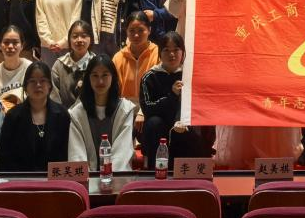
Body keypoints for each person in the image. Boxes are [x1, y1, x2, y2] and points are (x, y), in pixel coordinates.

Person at [139, 31, 210, 165]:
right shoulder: (149, 77)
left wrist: (184, 120)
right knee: (154, 123)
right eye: (166, 50)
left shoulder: (190, 75)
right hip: (161, 125)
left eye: (176, 50)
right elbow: (148, 109)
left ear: (183, 52)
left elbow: (199, 103)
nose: (171, 54)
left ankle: (201, 167)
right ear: (160, 53)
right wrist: (172, 96)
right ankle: (157, 168)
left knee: (204, 121)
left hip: (185, 122)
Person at [68, 54, 136, 171]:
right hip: (87, 178)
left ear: (113, 77)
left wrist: (108, 176)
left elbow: (122, 152)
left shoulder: (125, 109)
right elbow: (76, 153)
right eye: (95, 75)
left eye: (105, 75)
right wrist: (88, 177)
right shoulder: (77, 113)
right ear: (88, 79)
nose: (100, 81)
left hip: (116, 175)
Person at [0, 61, 69, 171]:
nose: (38, 85)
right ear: (25, 86)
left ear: (50, 85)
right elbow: (4, 155)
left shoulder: (63, 115)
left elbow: (66, 153)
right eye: (32, 81)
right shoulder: (13, 116)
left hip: (55, 177)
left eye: (43, 80)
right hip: (21, 177)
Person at [113, 12, 160, 133]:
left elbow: (159, 89)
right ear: (126, 32)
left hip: (151, 107)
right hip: (124, 108)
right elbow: (115, 91)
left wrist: (142, 112)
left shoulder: (158, 54)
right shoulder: (118, 57)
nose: (136, 35)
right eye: (131, 30)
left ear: (149, 30)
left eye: (141, 30)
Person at [0, 26, 33, 110]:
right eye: (6, 42)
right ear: (0, 45)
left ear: (22, 45)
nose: (10, 46)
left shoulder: (31, 68)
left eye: (15, 42)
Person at [51, 20, 95, 111]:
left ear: (91, 39)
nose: (79, 40)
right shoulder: (59, 65)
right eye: (75, 36)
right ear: (69, 40)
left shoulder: (96, 64)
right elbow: (54, 97)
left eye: (84, 36)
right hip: (63, 116)